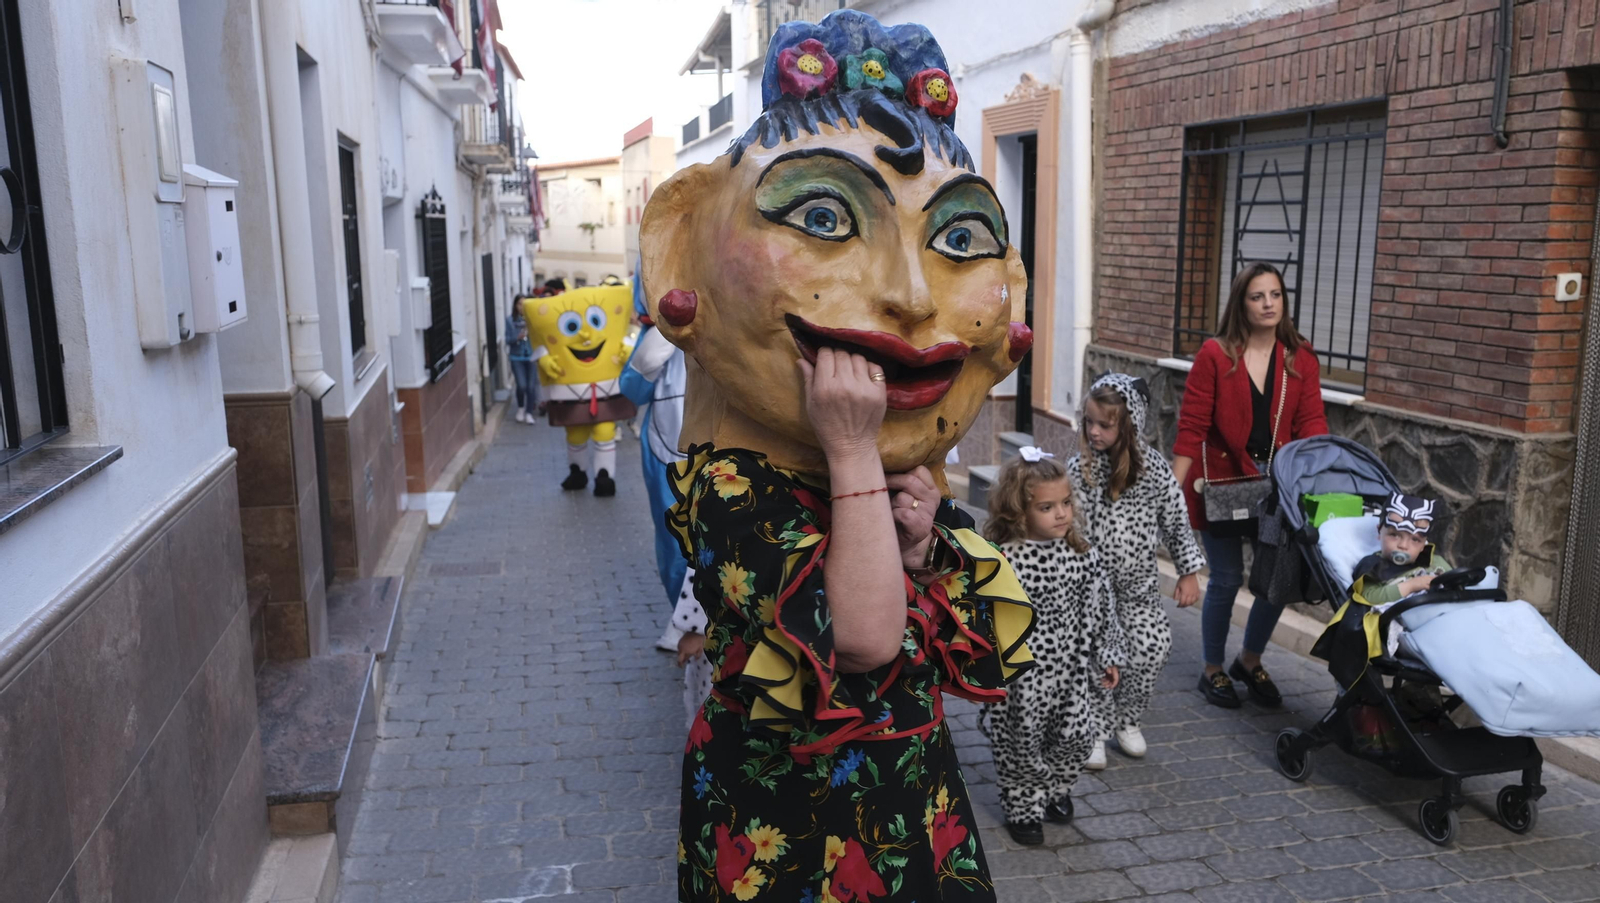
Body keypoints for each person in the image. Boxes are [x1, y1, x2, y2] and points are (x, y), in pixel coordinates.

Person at [640, 10, 1037, 899]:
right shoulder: (736, 487)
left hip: (906, 802)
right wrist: (854, 452)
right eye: (823, 214)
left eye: (959, 238)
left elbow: (959, 635)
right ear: (682, 258)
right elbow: (860, 638)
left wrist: (923, 538)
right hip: (796, 827)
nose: (904, 294)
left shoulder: (905, 469)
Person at [1172, 262, 1330, 709]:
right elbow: (1192, 427)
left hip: (1276, 489)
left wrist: (1314, 481)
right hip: (1221, 484)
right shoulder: (1216, 355)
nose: (1268, 304)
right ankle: (1213, 669)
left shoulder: (1300, 357)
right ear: (1241, 303)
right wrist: (1167, 496)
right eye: (1258, 296)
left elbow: (1312, 425)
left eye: (1275, 295)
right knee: (1224, 580)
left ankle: (1250, 659)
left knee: (1275, 581)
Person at [980, 448, 1125, 846]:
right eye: (1047, 507)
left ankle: (1055, 788)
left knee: (1078, 735)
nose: (1061, 514)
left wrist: (1108, 652)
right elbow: (984, 619)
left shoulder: (1082, 554)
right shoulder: (1004, 560)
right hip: (1021, 680)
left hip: (1072, 671)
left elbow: (1103, 605)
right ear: (1017, 511)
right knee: (1020, 744)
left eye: (1065, 503)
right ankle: (1023, 805)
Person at [1069, 373, 1205, 763]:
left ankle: (1127, 719)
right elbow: (1064, 518)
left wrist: (1188, 571)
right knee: (1099, 655)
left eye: (1104, 425)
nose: (1094, 432)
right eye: (1089, 422)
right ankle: (1093, 727)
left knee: (1152, 649)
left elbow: (1176, 518)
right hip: (1092, 588)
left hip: (1138, 587)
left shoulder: (1153, 471)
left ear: (1128, 426)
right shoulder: (1080, 468)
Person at [618, 265, 693, 652]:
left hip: (720, 450)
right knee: (673, 543)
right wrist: (649, 356)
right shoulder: (653, 337)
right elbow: (632, 389)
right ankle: (680, 622)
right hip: (667, 452)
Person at [1352, 493, 1452, 604]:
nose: (1403, 545)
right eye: (1394, 535)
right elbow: (1369, 596)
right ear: (1379, 531)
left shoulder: (1436, 562)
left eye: (1415, 540)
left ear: (1424, 543)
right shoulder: (1372, 565)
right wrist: (1411, 586)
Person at [505, 301, 539, 424]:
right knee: (521, 385)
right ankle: (520, 408)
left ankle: (529, 413)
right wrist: (517, 337)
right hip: (516, 357)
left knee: (531, 386)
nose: (522, 307)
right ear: (515, 305)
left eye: (524, 304)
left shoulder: (534, 320)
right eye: (519, 304)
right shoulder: (509, 320)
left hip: (531, 356)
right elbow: (507, 339)